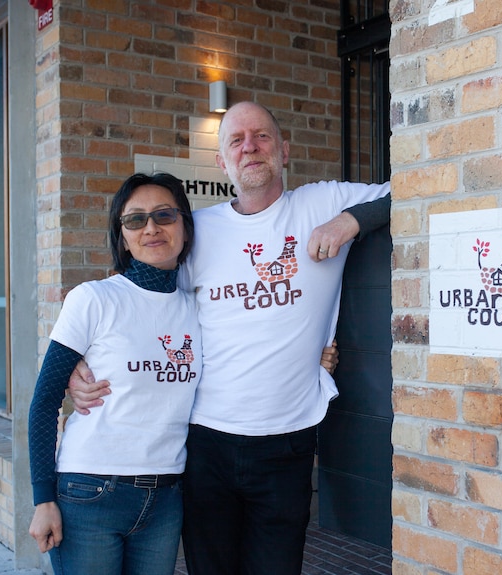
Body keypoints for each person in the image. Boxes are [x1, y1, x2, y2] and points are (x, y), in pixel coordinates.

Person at [70, 101, 391, 575]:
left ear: (284, 150)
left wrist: (351, 222)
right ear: (222, 163)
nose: (250, 148)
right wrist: (77, 363)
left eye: (261, 136)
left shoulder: (322, 202)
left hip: (288, 442)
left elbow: (416, 185)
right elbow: (137, 298)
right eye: (236, 141)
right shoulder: (199, 230)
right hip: (205, 444)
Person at [28, 172, 201, 575]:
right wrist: (42, 498)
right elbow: (44, 402)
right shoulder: (94, 299)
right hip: (90, 493)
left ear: (186, 227)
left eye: (164, 215)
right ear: (122, 236)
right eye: (135, 220)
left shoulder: (198, 307)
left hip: (165, 498)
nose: (152, 228)